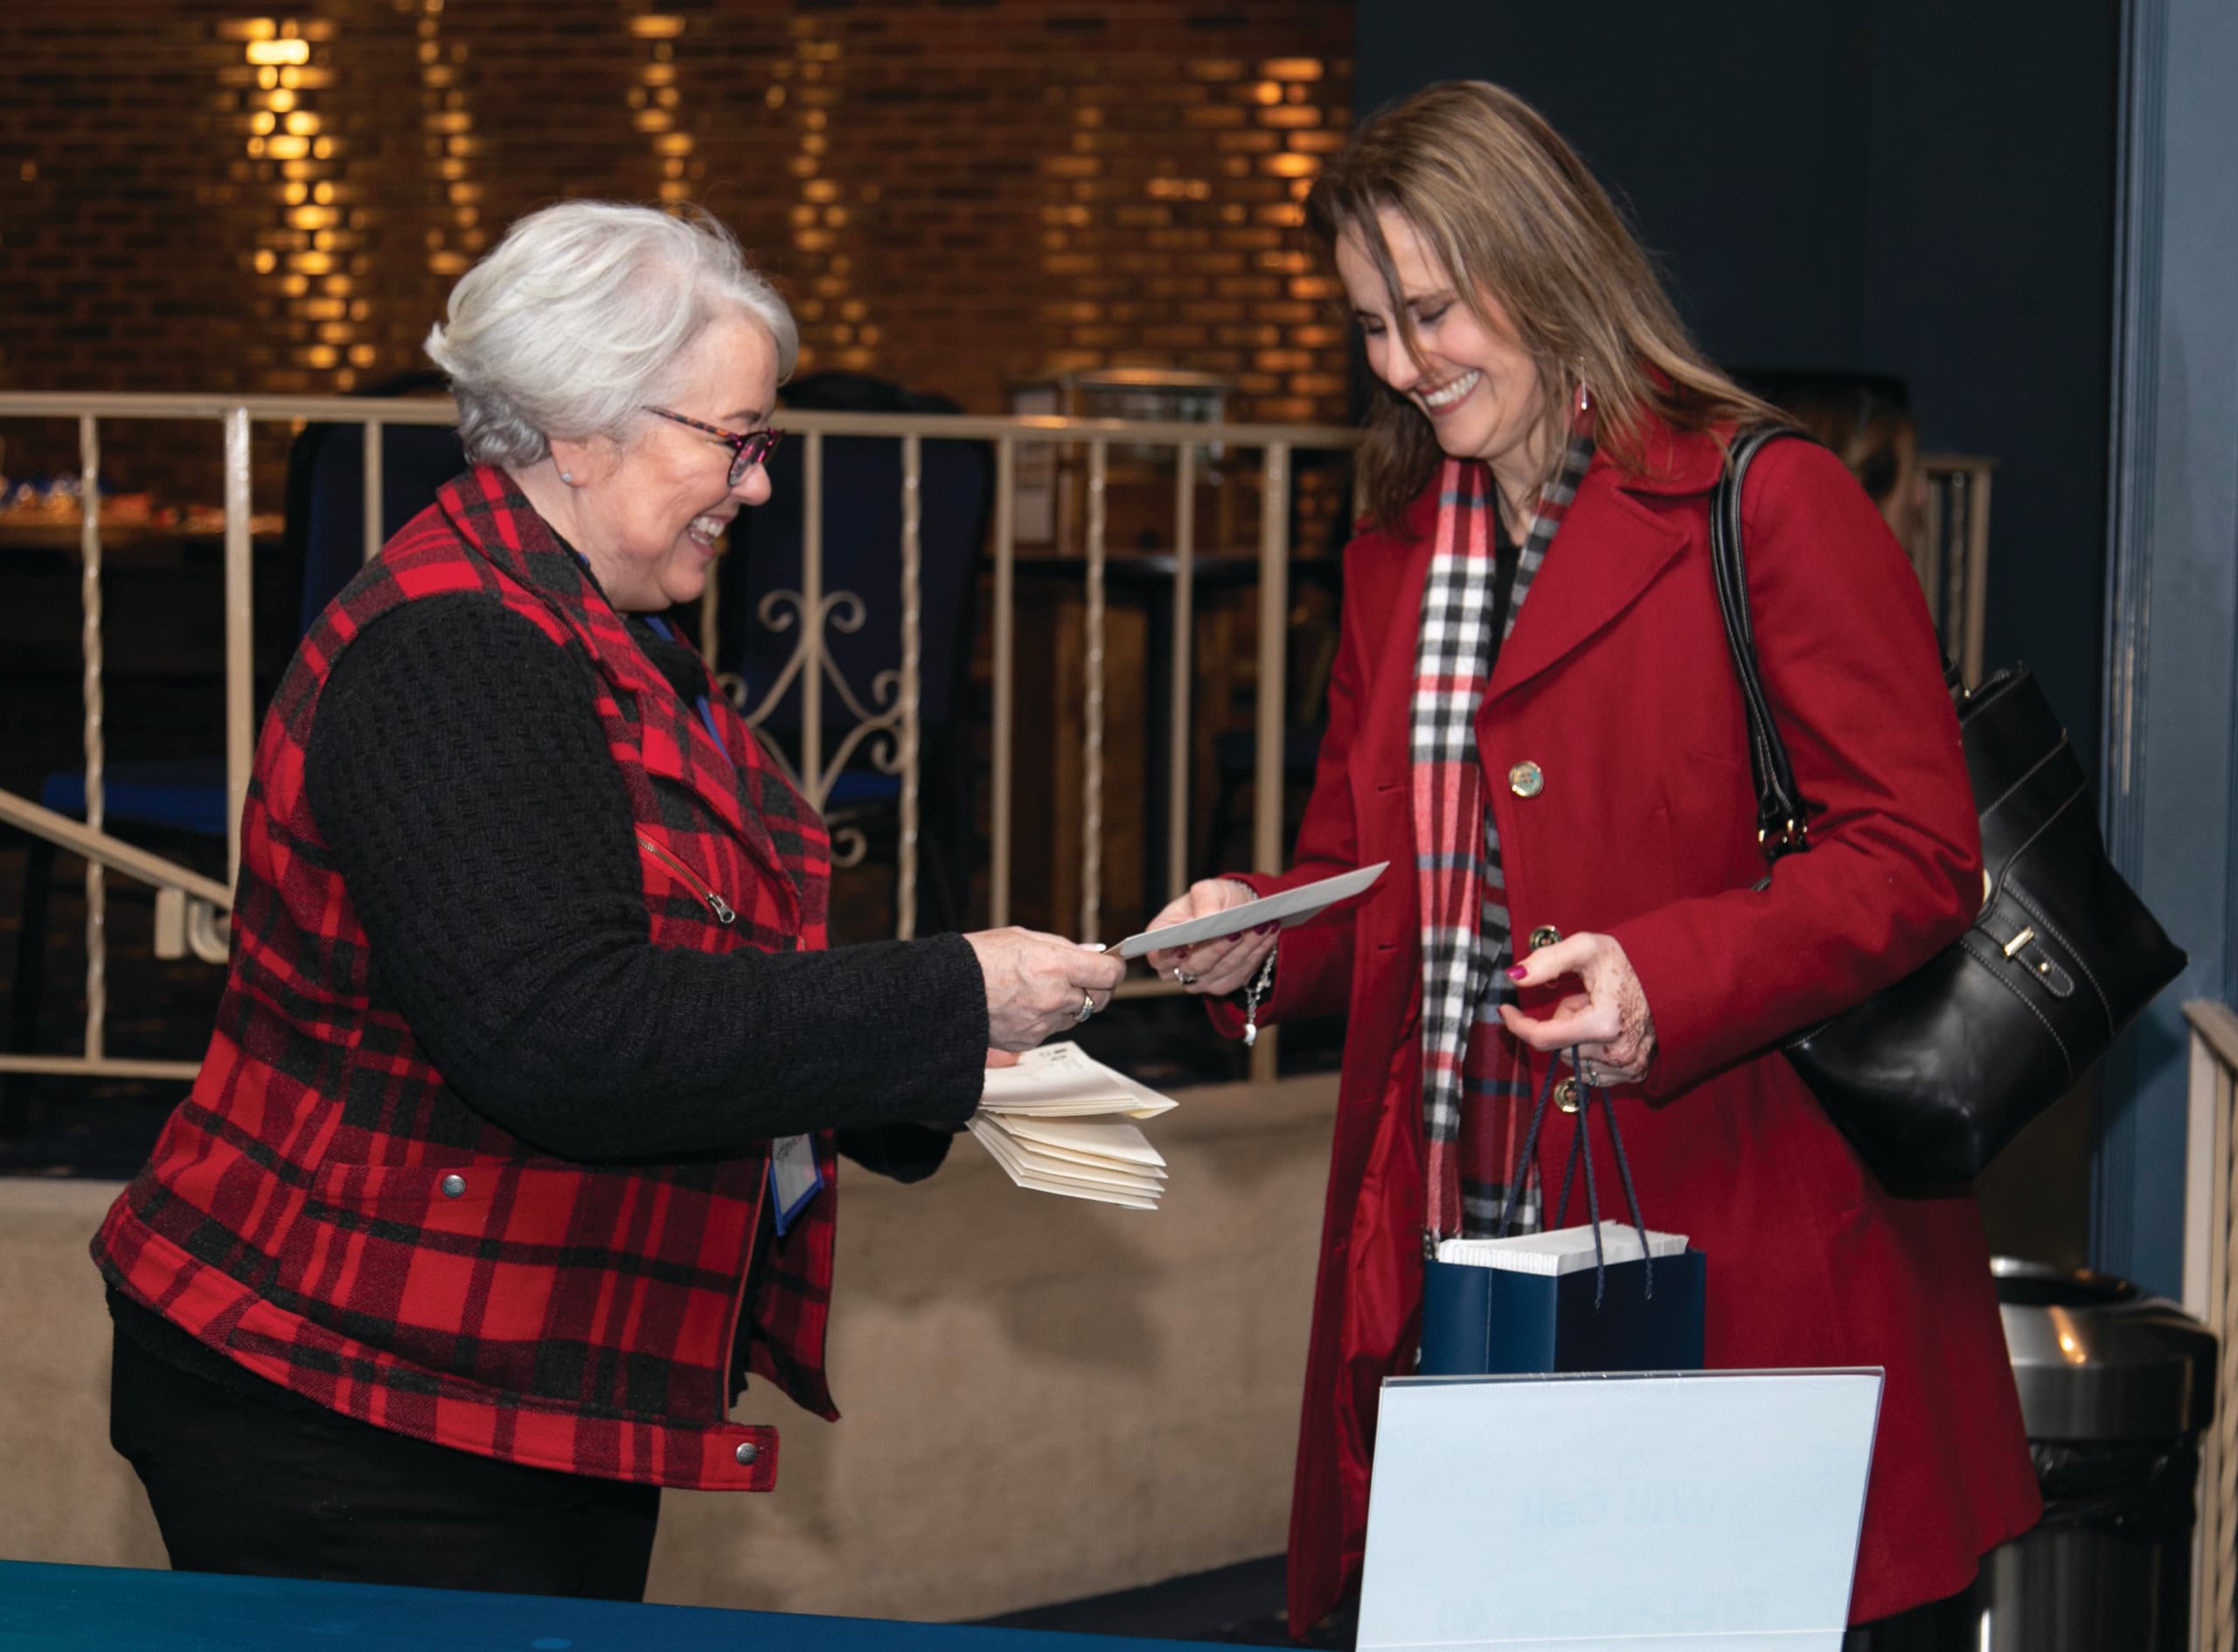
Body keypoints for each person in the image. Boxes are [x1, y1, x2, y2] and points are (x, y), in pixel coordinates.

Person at [92, 200, 1123, 1601]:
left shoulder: (592, 623)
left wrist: (946, 1056)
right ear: (579, 429)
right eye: (735, 438)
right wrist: (947, 992)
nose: (756, 486)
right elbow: (568, 1034)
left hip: (483, 1377)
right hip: (349, 1396)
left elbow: (699, 968)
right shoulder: (462, 651)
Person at [1144, 82, 2038, 1641]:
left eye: (1430, 311)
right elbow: (1369, 882)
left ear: (1541, 264)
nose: (1401, 363)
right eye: (1371, 325)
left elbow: (1916, 854)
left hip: (1749, 1258)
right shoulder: (1395, 552)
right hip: (1462, 1256)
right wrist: (1263, 930)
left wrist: (1665, 978)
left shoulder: (1767, 500)